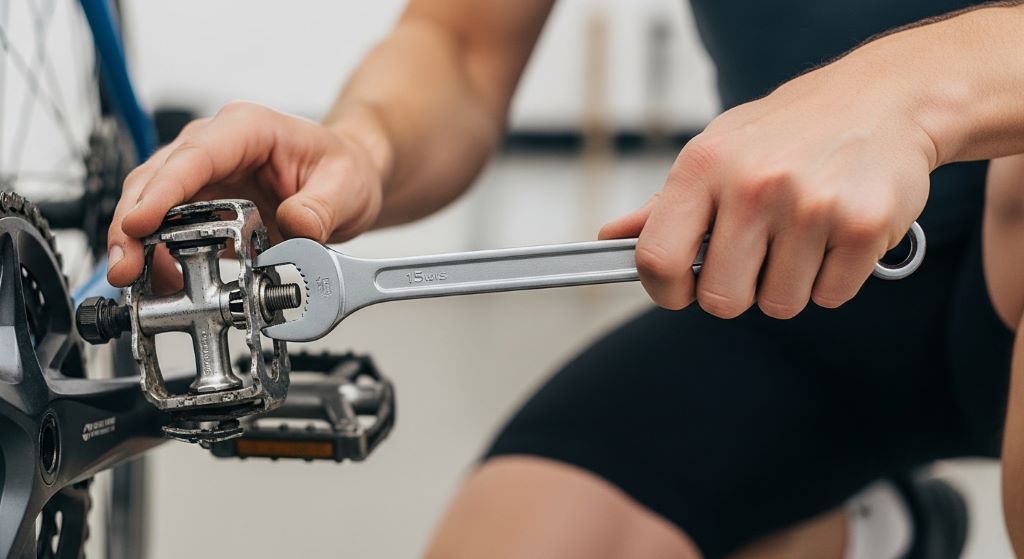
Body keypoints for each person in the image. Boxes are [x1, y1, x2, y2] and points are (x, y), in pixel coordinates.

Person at [107, 1, 1024, 557]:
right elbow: (461, 44)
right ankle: (871, 533)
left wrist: (906, 90)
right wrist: (362, 145)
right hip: (772, 286)